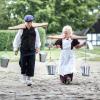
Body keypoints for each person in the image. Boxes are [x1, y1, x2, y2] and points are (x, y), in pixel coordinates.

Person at [13, 15, 41, 86]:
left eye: (30, 22)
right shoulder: (21, 29)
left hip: (32, 49)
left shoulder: (35, 29)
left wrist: (37, 47)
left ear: (32, 22)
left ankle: (29, 79)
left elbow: (37, 39)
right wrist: (16, 48)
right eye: (27, 22)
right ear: (25, 22)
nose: (28, 24)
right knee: (22, 63)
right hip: (23, 49)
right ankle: (24, 77)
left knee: (31, 64)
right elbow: (17, 39)